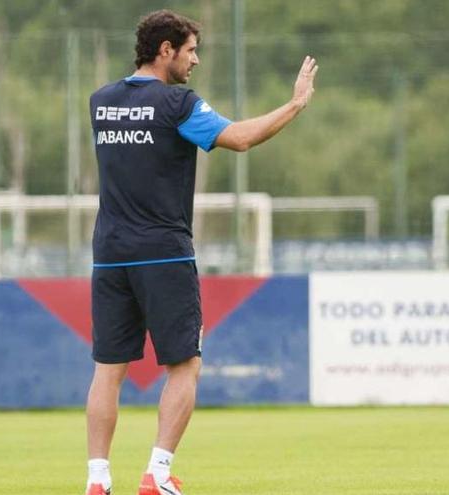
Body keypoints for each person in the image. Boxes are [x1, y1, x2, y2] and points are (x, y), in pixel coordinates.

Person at [84, 9, 318, 495]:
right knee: (184, 365)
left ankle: (97, 479)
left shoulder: (101, 102)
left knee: (108, 370)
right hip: (164, 253)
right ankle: (158, 474)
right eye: (190, 50)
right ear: (165, 50)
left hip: (109, 254)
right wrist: (295, 104)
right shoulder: (176, 103)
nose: (196, 60)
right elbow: (241, 138)